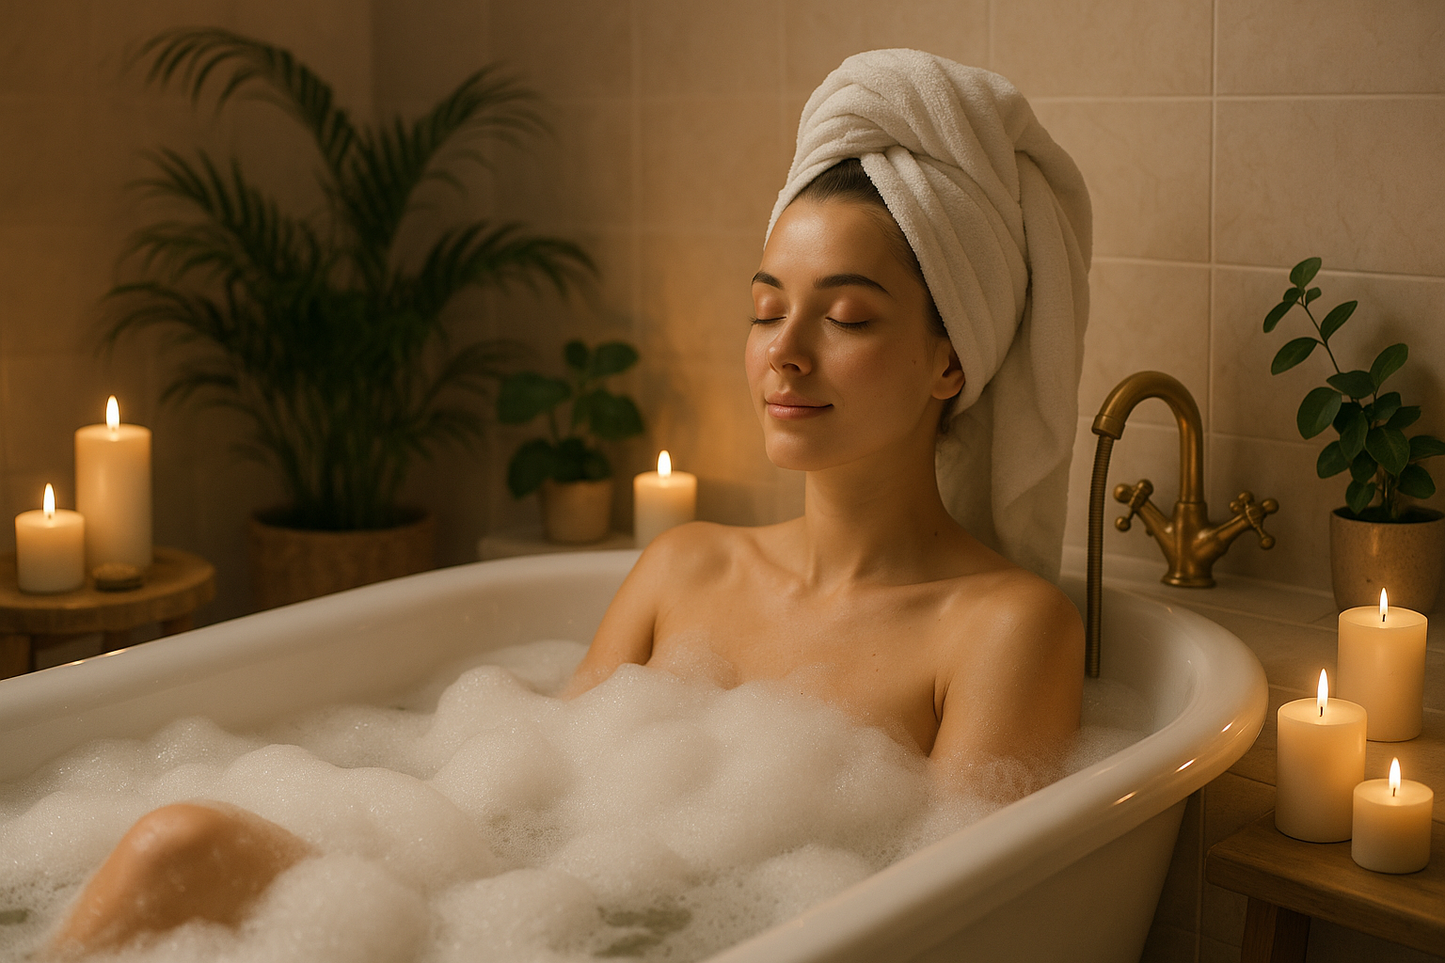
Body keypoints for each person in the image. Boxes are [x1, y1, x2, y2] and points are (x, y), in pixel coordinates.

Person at [45, 49, 1092, 956]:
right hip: (503, 920)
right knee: (171, 842)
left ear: (948, 363)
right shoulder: (688, 567)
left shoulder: (1003, 627)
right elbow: (523, 804)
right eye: (765, 310)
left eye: (848, 317)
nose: (785, 353)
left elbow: (960, 913)